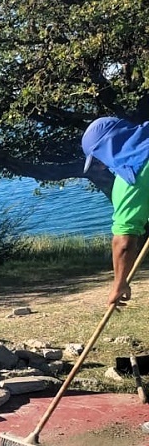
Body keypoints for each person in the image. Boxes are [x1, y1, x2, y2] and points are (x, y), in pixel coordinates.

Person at [81, 116, 149, 308]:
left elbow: (124, 241)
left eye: (97, 159)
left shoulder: (130, 177)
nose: (101, 165)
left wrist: (119, 284)